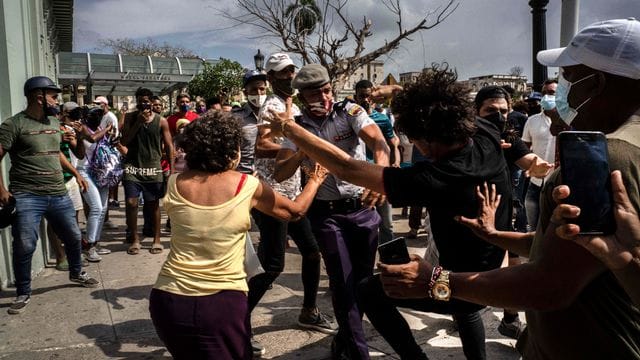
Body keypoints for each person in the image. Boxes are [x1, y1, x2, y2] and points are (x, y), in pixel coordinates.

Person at [377, 19, 640, 359]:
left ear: (596, 83)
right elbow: (573, 247)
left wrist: (438, 281)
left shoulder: (608, 157)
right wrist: (496, 234)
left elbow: (550, 286)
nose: (563, 92)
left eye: (570, 79)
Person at [267, 64, 512, 359]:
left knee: (371, 291)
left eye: (417, 141)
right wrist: (397, 90)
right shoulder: (484, 131)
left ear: (429, 139)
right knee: (466, 310)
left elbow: (348, 168)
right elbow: (436, 103)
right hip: (487, 262)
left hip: (461, 281)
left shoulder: (434, 179)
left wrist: (290, 129)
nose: (416, 148)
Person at [148, 111, 328, 360]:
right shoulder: (247, 185)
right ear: (233, 150)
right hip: (221, 303)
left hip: (167, 299)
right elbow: (294, 211)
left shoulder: (174, 182)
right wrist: (315, 180)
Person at [273, 64, 390, 359]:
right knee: (341, 280)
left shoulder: (348, 112)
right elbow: (280, 173)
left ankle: (345, 338)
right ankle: (359, 352)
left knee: (362, 283)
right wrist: (303, 146)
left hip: (362, 209)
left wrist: (381, 175)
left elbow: (378, 141)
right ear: (301, 98)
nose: (323, 97)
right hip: (326, 216)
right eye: (314, 94)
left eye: (326, 90)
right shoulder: (296, 125)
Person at [249, 59, 337, 356]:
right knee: (273, 264)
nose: (291, 75)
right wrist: (302, 146)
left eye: (292, 70)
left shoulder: (293, 103)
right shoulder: (271, 104)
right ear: (272, 77)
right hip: (271, 192)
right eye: (284, 71)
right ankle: (237, 322)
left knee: (311, 253)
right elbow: (261, 146)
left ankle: (308, 311)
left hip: (295, 192)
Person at [0, 76, 99, 315]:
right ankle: (23, 291)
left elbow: (56, 153)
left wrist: (76, 172)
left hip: (57, 192)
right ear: (38, 96)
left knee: (74, 236)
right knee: (25, 244)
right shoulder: (14, 125)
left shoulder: (55, 123)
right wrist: (2, 190)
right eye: (53, 95)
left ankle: (76, 272)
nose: (57, 100)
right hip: (26, 195)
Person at [117, 87, 174, 255]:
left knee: (153, 205)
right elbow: (125, 141)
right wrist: (138, 123)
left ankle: (156, 239)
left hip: (153, 167)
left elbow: (170, 145)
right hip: (132, 167)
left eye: (146, 101)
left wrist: (170, 170)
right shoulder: (129, 118)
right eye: (140, 100)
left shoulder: (161, 121)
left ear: (150, 101)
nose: (144, 103)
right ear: (137, 101)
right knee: (131, 203)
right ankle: (134, 239)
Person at [354, 79, 401, 245]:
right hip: (359, 179)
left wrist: (396, 162)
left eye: (368, 96)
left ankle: (389, 261)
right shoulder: (349, 119)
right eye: (362, 96)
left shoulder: (382, 119)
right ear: (356, 97)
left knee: (387, 224)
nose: (365, 100)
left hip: (381, 177)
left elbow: (393, 142)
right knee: (363, 224)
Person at [75, 107, 116, 262]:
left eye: (99, 116)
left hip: (100, 171)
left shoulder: (99, 128)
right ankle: (89, 245)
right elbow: (92, 138)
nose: (96, 118)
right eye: (94, 116)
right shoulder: (83, 128)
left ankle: (95, 243)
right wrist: (106, 129)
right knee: (96, 207)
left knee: (103, 208)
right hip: (84, 171)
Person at [522, 80, 558, 230]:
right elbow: (524, 146)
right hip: (536, 183)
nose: (546, 97)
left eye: (551, 93)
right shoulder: (532, 121)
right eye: (544, 93)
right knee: (534, 228)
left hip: (558, 182)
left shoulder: (570, 121)